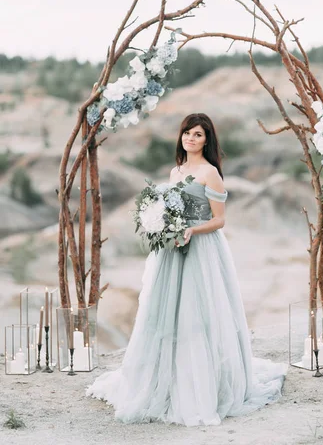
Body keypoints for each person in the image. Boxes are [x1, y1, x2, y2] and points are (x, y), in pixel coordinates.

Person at [86, 113, 287, 426]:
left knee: (199, 312)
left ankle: (201, 383)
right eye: (187, 134)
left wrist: (192, 230)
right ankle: (166, 378)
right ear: (181, 137)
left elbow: (220, 219)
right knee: (166, 313)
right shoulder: (175, 170)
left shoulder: (211, 173)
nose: (191, 139)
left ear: (207, 140)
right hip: (171, 250)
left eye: (198, 135)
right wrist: (160, 224)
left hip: (201, 249)